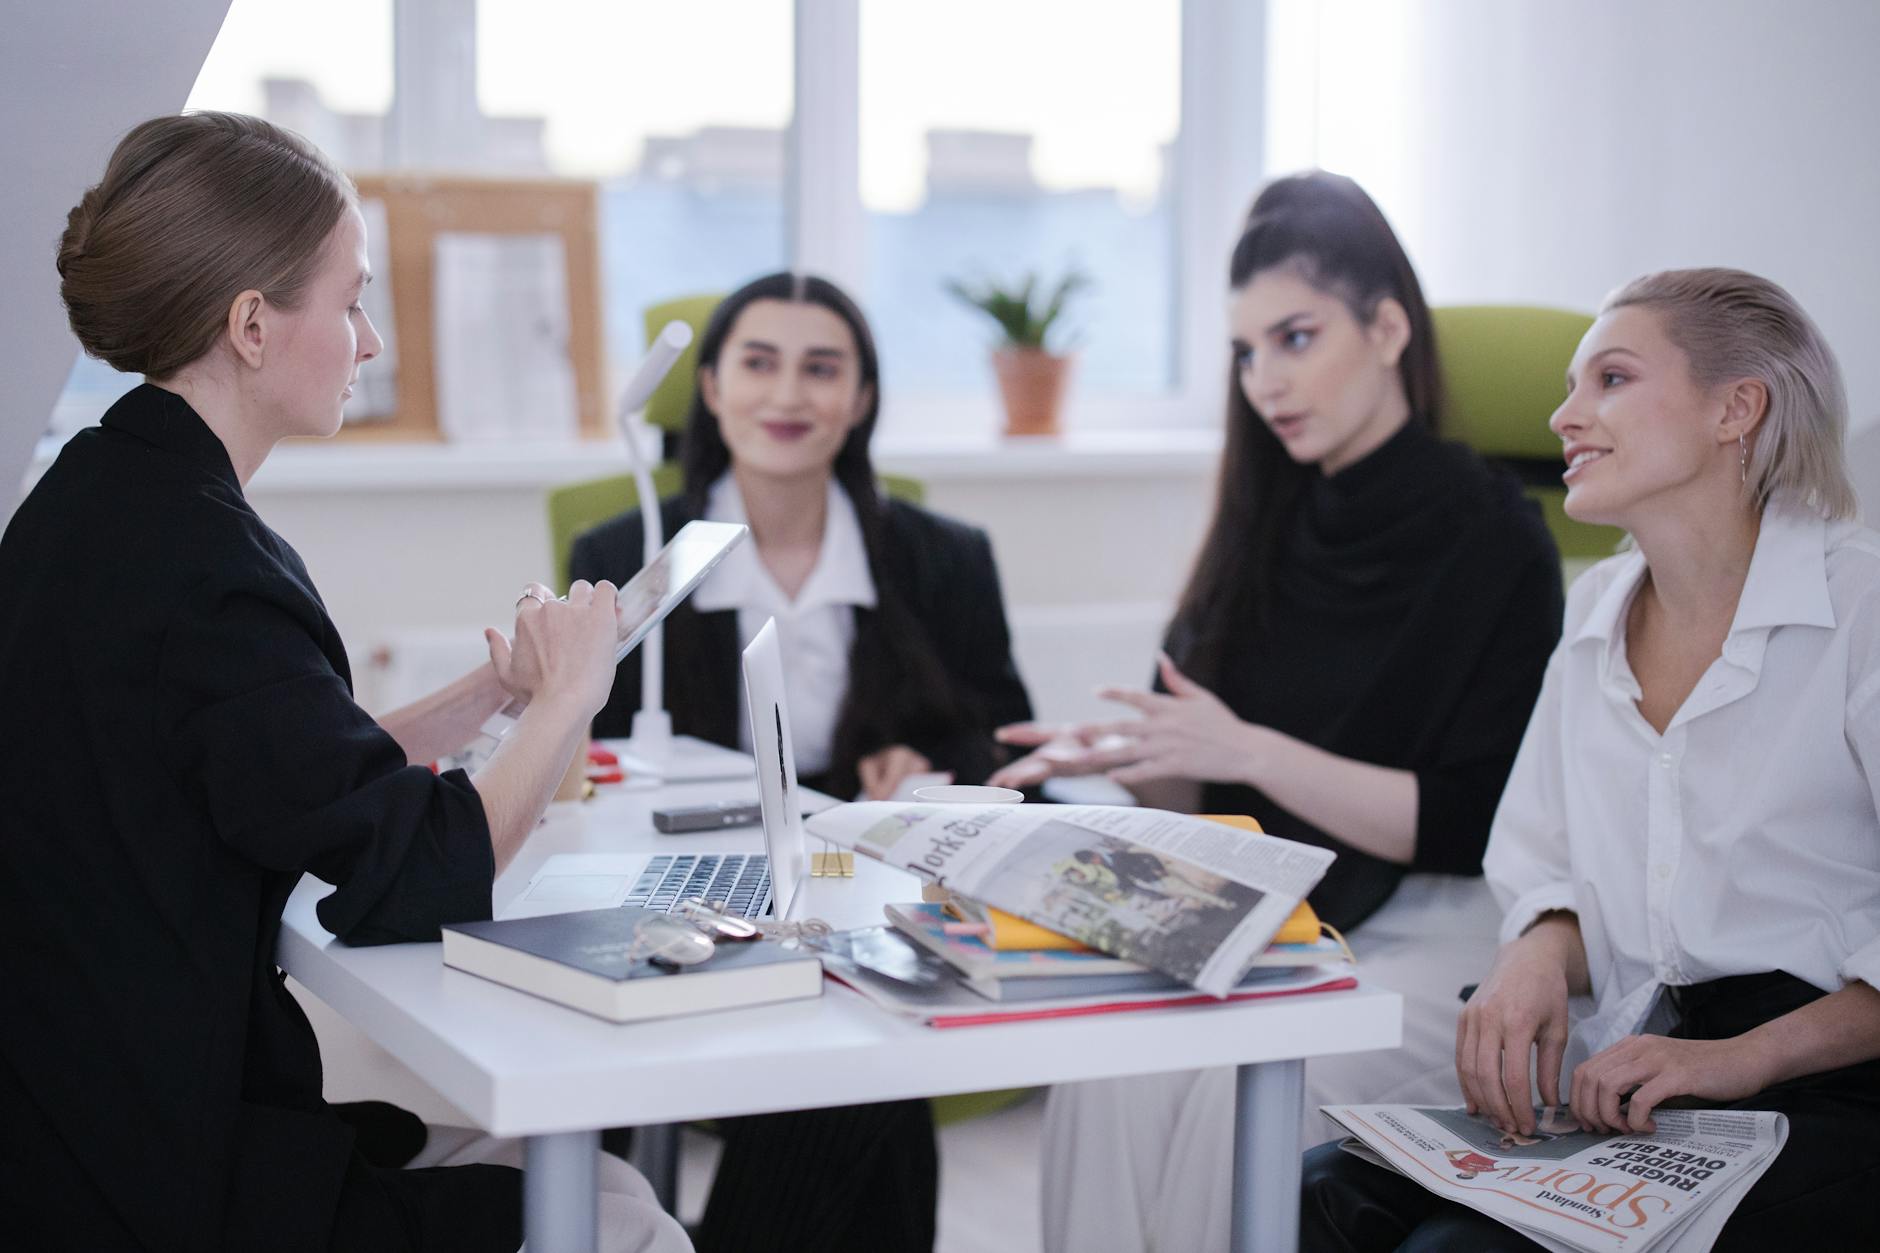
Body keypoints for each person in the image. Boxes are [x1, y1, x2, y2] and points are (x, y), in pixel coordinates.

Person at [0, 112, 687, 1253]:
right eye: (352, 299)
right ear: (254, 326)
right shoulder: (210, 570)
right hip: (154, 1173)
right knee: (622, 1220)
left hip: (67, 1124)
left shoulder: (103, 492)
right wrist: (572, 696)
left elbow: (286, 762)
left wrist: (490, 695)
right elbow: (416, 876)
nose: (369, 341)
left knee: (597, 1187)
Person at [987, 172, 1565, 1253]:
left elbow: (1468, 821)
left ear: (1387, 325)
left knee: (1234, 1093)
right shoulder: (1266, 517)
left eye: (1294, 337)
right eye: (1246, 352)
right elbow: (1206, 781)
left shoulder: (1495, 538)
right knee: (1105, 1062)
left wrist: (1243, 744)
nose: (1264, 380)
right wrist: (1130, 755)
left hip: (1433, 926)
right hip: (1262, 908)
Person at [1300, 270, 1880, 1250]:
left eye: (1608, 378)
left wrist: (1740, 1057)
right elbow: (1546, 859)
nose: (1563, 415)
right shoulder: (1593, 613)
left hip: (1828, 1085)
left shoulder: (1860, 609)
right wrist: (1533, 949)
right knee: (1320, 1190)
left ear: (1735, 407)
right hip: (1641, 1070)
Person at [569, 271, 1033, 1252]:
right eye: (759, 363)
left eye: (821, 369)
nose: (788, 396)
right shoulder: (628, 551)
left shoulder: (943, 557)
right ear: (709, 388)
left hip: (863, 895)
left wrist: (924, 764)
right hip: (684, 899)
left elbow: (1000, 734)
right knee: (864, 1051)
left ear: (860, 398)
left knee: (861, 1027)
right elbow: (579, 753)